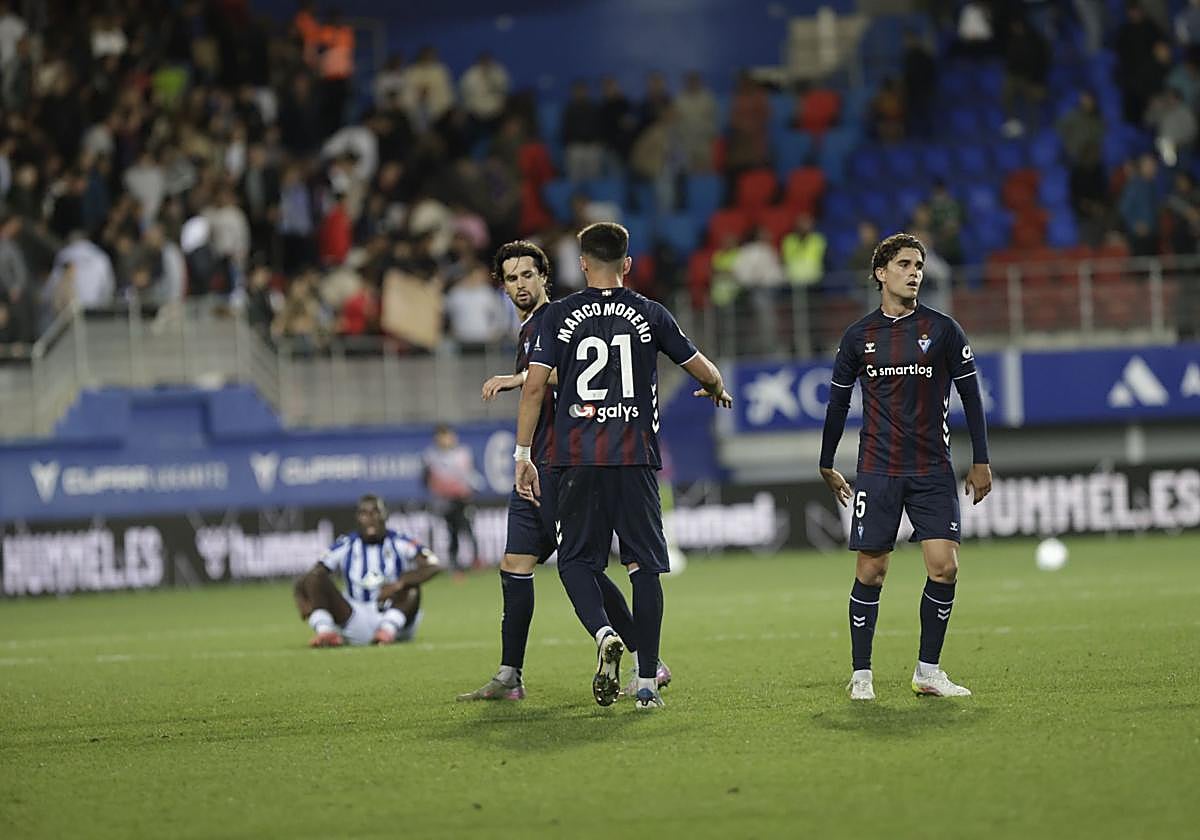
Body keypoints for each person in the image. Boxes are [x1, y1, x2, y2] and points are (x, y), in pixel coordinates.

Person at [514, 222, 731, 710]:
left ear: (582, 264)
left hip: (577, 459)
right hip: (634, 457)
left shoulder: (559, 315)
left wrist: (523, 455)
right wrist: (715, 388)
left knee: (576, 562)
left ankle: (604, 632)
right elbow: (705, 370)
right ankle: (647, 682)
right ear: (627, 264)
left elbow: (533, 387)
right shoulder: (651, 313)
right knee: (643, 568)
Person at [457, 240, 671, 702]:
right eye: (511, 278)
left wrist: (518, 379)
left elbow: (572, 372)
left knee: (580, 563)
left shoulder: (560, 319)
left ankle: (644, 657)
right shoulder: (530, 328)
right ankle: (510, 674)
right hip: (536, 463)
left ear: (545, 277)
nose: (520, 284)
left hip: (562, 464)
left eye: (527, 275)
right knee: (516, 564)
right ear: (502, 286)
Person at [818, 233, 992, 702]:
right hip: (878, 469)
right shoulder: (858, 337)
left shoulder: (943, 330)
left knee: (945, 567)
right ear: (881, 273)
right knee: (871, 571)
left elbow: (971, 396)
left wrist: (981, 459)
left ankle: (927, 672)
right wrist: (826, 462)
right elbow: (837, 404)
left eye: (919, 266)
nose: (914, 273)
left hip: (933, 469)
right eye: (904, 265)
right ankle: (861, 674)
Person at [293, 494, 440, 647]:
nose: (370, 519)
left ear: (385, 515)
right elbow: (314, 575)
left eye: (375, 512)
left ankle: (387, 631)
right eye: (364, 514)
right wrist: (299, 595)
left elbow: (433, 564)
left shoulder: (400, 541)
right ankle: (325, 632)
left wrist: (400, 583)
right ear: (357, 518)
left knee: (412, 585)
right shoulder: (346, 544)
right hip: (355, 618)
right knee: (317, 579)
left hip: (394, 615)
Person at [422, 424, 481, 571]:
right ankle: (453, 563)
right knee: (451, 532)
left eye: (447, 435)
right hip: (445, 501)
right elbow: (426, 479)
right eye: (442, 436)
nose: (445, 439)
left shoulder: (463, 453)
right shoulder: (431, 456)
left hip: (463, 499)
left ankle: (476, 560)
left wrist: (472, 489)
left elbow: (471, 476)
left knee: (468, 529)